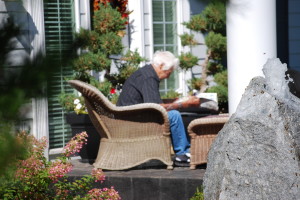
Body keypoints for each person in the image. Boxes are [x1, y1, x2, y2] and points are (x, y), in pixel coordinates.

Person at [117, 51, 200, 166]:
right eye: (168, 71)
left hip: (132, 116)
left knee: (173, 112)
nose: (168, 76)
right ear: (161, 66)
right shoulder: (149, 77)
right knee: (174, 115)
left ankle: (183, 153)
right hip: (133, 120)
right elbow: (156, 107)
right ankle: (182, 154)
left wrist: (174, 101)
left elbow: (151, 102)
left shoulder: (146, 73)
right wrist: (182, 104)